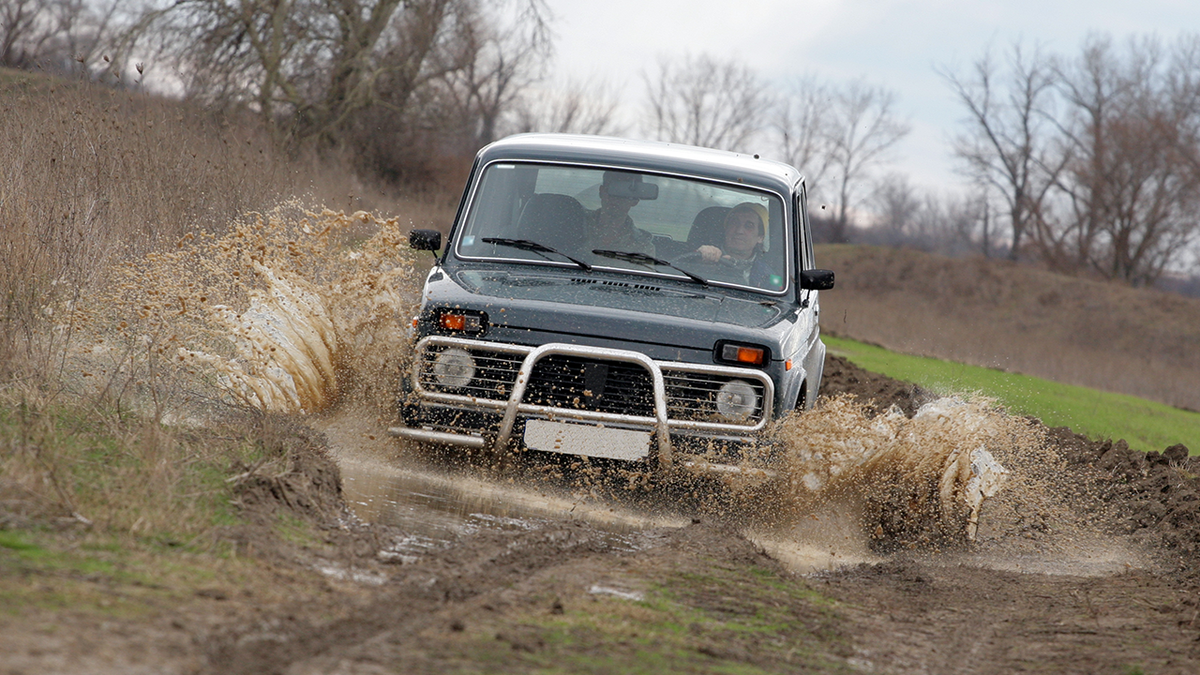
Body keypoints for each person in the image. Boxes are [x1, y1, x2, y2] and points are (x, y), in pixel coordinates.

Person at [694, 202, 778, 287]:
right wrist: (701, 261)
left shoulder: (766, 276)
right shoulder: (701, 256)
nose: (739, 231)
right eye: (734, 222)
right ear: (726, 228)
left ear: (760, 237)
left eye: (749, 226)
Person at [583, 171, 656, 257]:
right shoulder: (574, 225)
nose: (616, 198)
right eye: (612, 190)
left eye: (623, 194)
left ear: (635, 200)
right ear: (601, 191)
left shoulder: (642, 247)